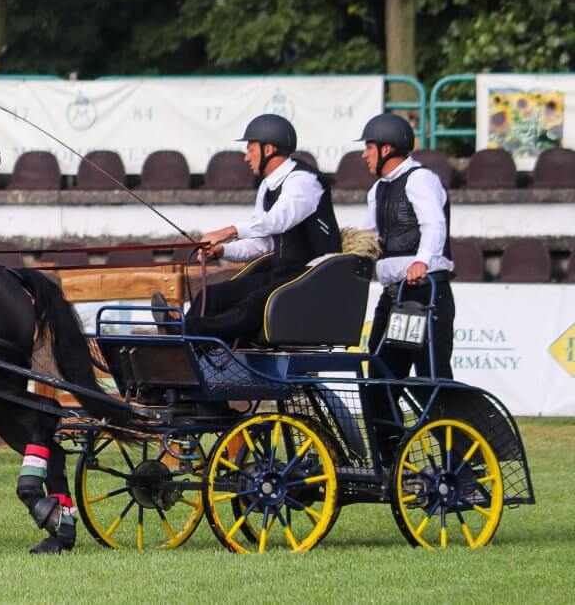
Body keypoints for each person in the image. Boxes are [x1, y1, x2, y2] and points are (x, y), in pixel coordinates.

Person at [154, 114, 341, 340]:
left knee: (253, 303)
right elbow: (263, 242)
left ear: (269, 149)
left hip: (313, 275)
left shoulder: (303, 180)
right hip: (282, 273)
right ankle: (182, 342)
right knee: (211, 296)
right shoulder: (267, 186)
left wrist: (228, 231)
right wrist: (223, 250)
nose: (246, 157)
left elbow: (278, 220)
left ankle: (184, 332)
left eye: (250, 149)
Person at [356, 113, 456, 467]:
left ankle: (461, 465)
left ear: (387, 149)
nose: (364, 155)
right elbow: (370, 239)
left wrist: (422, 261)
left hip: (423, 293)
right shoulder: (377, 190)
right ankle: (395, 463)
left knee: (431, 380)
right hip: (394, 296)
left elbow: (434, 225)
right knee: (379, 379)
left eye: (369, 147)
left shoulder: (420, 179)